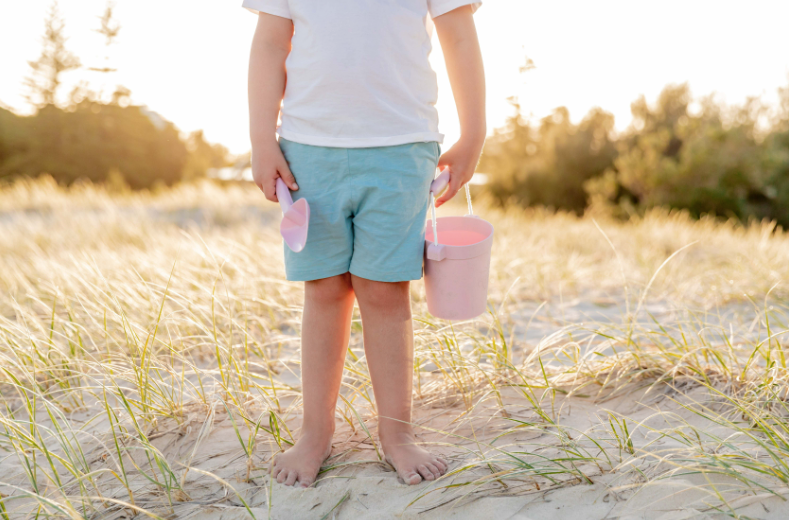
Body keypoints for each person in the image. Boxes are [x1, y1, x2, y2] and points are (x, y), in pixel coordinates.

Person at [245, 0, 485, 487]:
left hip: (401, 148)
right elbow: (270, 43)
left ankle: (397, 434)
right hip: (308, 149)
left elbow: (458, 35)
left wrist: (474, 134)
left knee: (384, 291)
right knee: (325, 289)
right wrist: (261, 140)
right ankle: (316, 433)